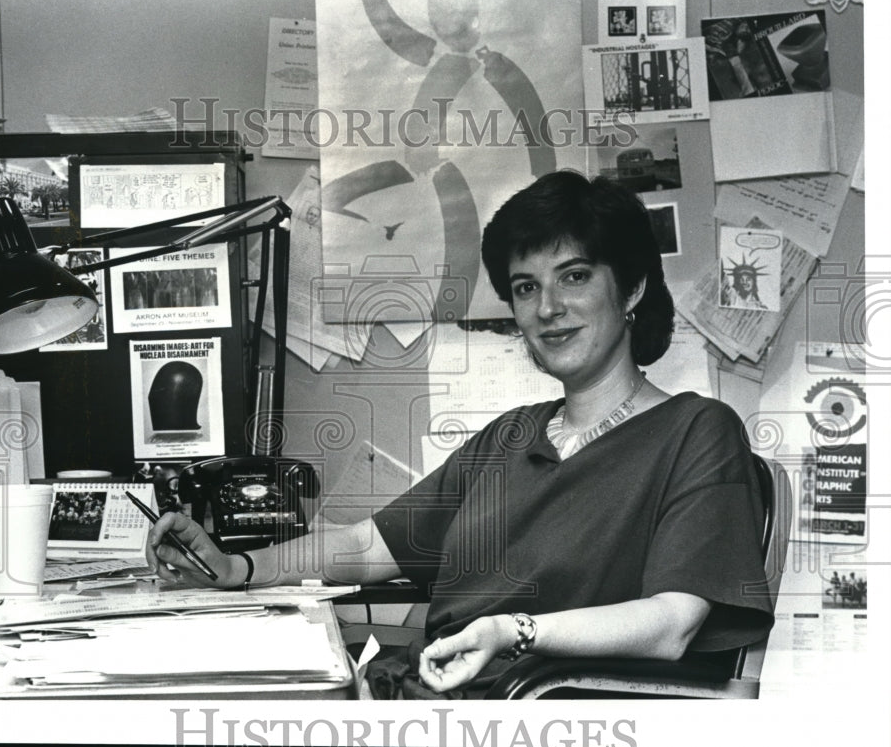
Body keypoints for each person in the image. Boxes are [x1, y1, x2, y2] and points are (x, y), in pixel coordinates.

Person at [145, 170, 774, 697]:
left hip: (536, 717)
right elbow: (370, 546)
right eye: (526, 288)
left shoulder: (696, 431)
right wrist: (236, 567)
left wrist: (513, 631)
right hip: (415, 697)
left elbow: (672, 623)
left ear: (632, 286)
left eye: (575, 276)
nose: (547, 307)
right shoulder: (512, 436)